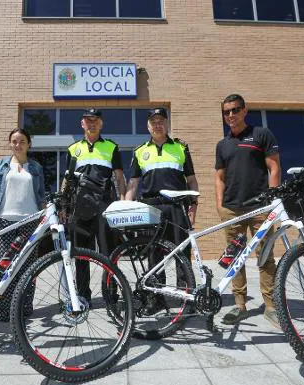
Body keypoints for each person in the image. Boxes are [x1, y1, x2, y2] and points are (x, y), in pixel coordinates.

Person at [215, 94, 281, 328]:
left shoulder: (261, 134)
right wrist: (220, 204)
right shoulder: (223, 144)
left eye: (235, 110)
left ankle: (271, 306)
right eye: (226, 112)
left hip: (260, 208)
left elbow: (274, 167)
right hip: (232, 210)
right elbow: (219, 176)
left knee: (265, 257)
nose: (230, 115)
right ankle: (239, 304)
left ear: (244, 111)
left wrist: (272, 199)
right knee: (236, 259)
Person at [126, 108, 199, 313]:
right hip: (150, 208)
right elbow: (133, 183)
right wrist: (126, 208)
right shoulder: (140, 151)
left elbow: (192, 180)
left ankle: (187, 298)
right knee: (153, 254)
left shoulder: (181, 148)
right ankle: (155, 300)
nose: (157, 125)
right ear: (148, 126)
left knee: (181, 252)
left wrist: (194, 206)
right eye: (153, 122)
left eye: (160, 121)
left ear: (166, 124)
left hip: (177, 207)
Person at [66, 109, 126, 305]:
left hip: (104, 205)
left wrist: (123, 202)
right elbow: (67, 180)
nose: (91, 124)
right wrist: (63, 205)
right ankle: (83, 295)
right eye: (87, 121)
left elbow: (119, 177)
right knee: (81, 254)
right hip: (79, 206)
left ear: (101, 124)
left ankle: (111, 293)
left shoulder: (111, 147)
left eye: (95, 121)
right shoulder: (73, 149)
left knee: (109, 253)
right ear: (82, 124)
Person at [0, 127, 46, 322]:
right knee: (2, 265)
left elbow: (41, 195)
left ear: (29, 144)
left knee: (28, 266)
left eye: (22, 141)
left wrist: (46, 214)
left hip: (30, 220)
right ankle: (3, 309)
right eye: (14, 141)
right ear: (10, 144)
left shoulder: (36, 167)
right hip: (4, 219)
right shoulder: (0, 165)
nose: (18, 145)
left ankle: (25, 307)